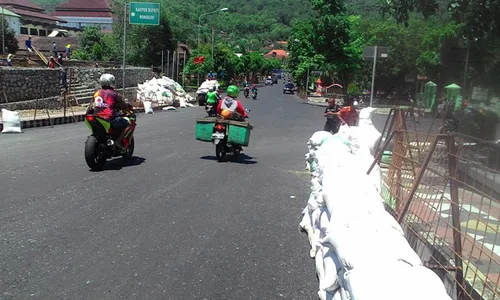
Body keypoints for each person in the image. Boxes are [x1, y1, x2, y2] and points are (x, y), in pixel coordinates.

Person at [92, 74, 133, 151]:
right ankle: (118, 141)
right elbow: (123, 106)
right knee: (128, 124)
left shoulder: (97, 93)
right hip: (109, 118)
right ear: (109, 82)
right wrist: (129, 111)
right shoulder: (115, 94)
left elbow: (93, 105)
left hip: (96, 117)